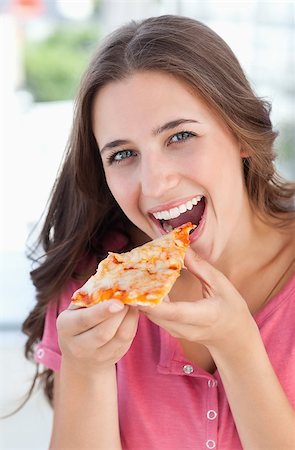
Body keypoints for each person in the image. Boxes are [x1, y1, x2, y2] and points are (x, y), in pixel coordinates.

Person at [23, 15, 295, 450]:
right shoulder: (93, 289)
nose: (154, 185)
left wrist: (237, 346)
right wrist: (86, 369)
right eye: (123, 154)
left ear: (241, 133)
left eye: (180, 136)